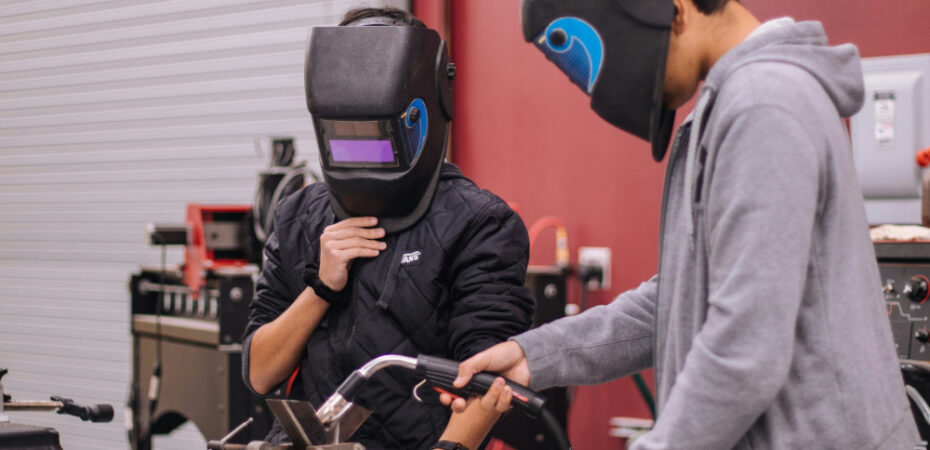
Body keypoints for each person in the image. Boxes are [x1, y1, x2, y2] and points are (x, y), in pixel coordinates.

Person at [447, 0, 921, 448]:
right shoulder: (733, 103)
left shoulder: (765, 106)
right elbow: (679, 298)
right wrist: (534, 357)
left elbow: (744, 352)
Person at [242, 7, 535, 450]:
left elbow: (488, 387)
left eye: (376, 133)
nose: (362, 148)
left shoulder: (479, 224)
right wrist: (320, 288)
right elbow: (260, 373)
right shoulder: (298, 215)